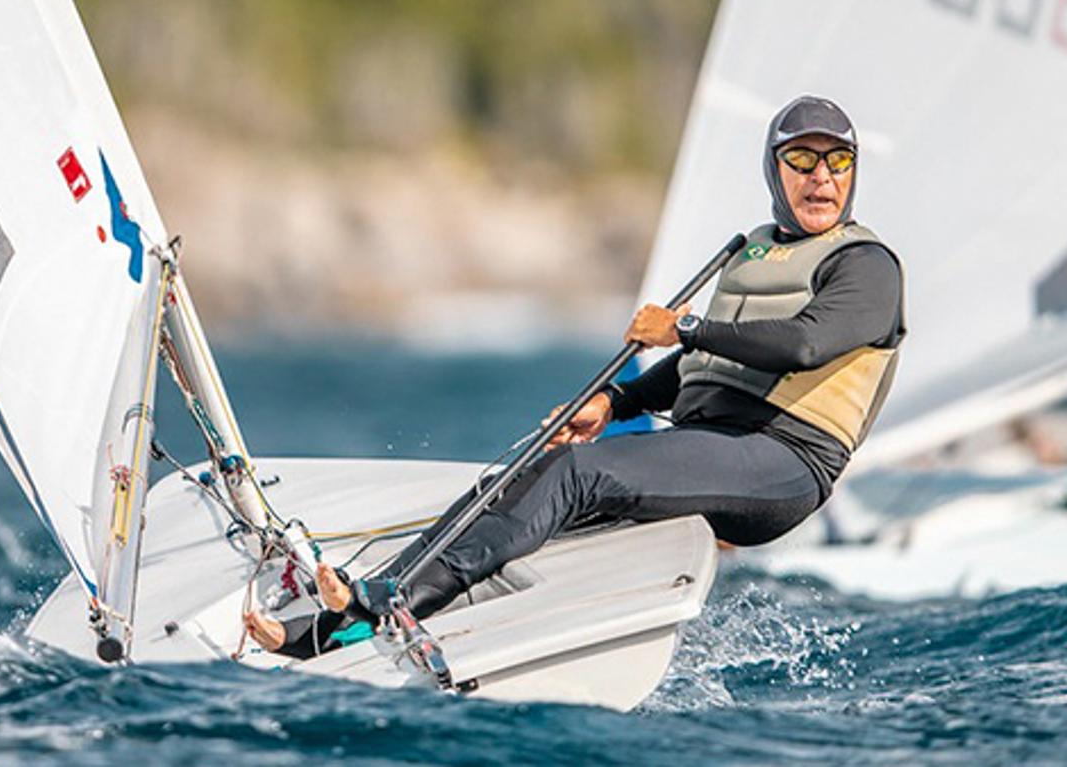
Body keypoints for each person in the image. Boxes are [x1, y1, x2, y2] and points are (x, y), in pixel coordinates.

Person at [244, 95, 906, 657]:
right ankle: (332, 628)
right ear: (775, 168)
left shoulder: (868, 266)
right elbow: (705, 367)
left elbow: (805, 343)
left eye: (837, 161)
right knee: (529, 473)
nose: (821, 177)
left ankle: (390, 604)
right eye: (802, 160)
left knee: (579, 475)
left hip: (784, 459)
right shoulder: (758, 251)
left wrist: (686, 327)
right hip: (720, 439)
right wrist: (616, 401)